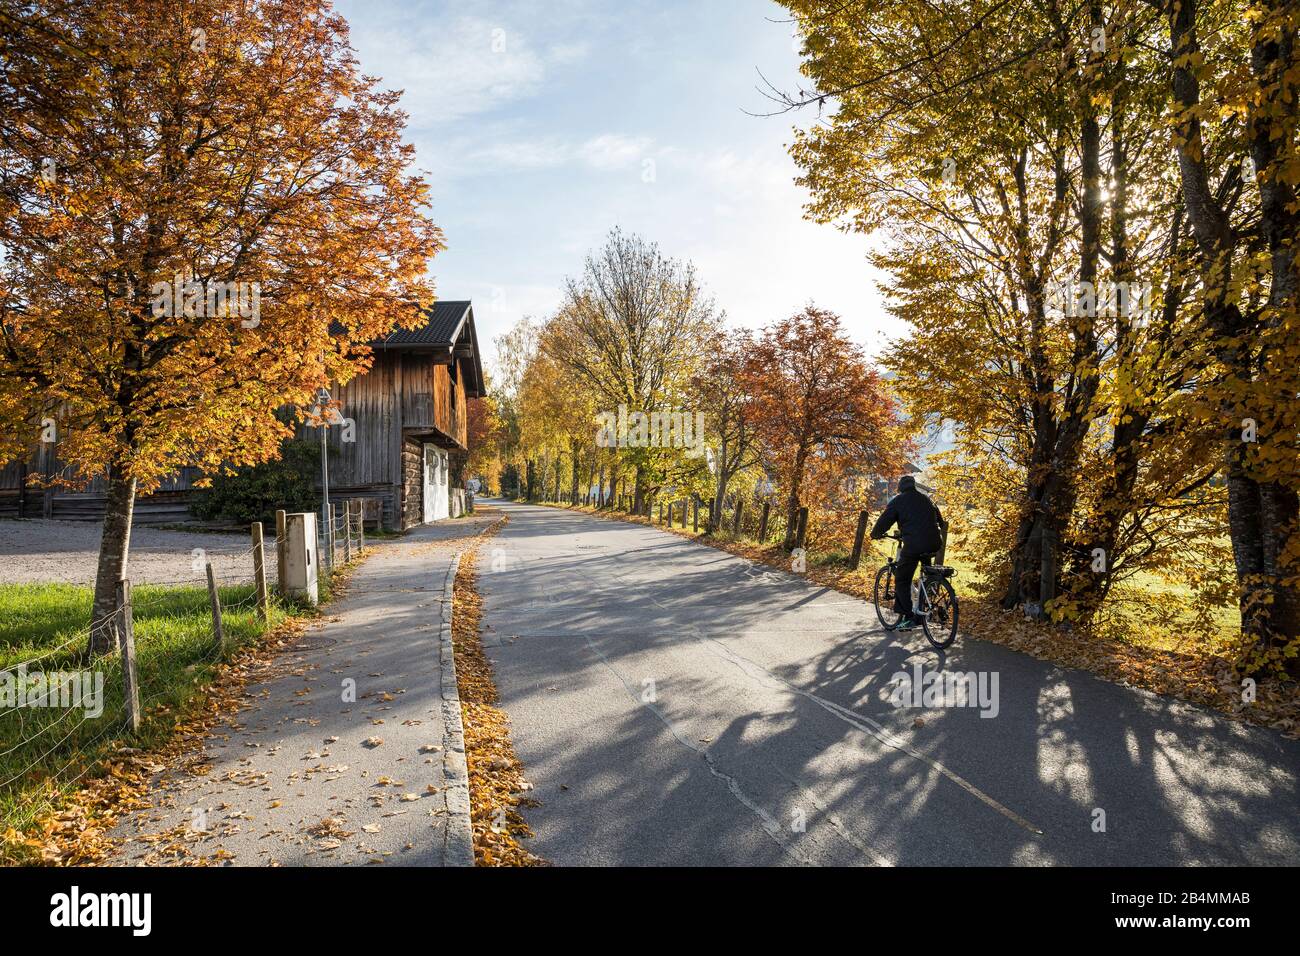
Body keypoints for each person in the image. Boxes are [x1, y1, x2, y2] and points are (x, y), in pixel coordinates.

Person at [871, 475, 948, 630]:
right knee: (926, 574)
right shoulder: (927, 499)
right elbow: (940, 521)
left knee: (902, 578)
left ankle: (908, 616)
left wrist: (875, 534)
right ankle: (927, 599)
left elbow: (885, 520)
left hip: (913, 545)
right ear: (914, 486)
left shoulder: (898, 501)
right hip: (933, 543)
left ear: (900, 488)